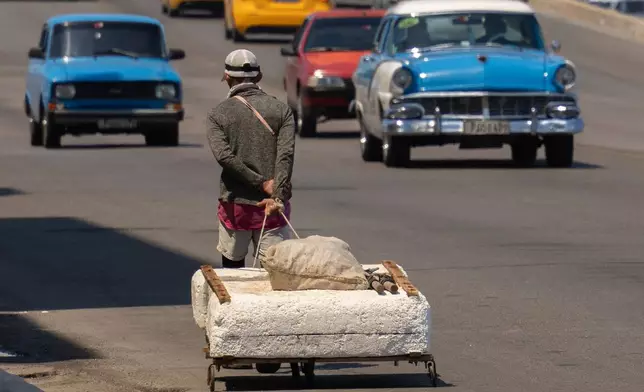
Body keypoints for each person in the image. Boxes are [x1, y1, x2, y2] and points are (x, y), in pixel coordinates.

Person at [207, 49, 296, 270]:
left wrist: (259, 182)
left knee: (233, 271)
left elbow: (224, 157)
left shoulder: (218, 113)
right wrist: (277, 193)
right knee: (274, 271)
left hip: (236, 207)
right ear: (259, 77)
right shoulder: (282, 110)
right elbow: (286, 154)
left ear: (227, 77)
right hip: (273, 206)